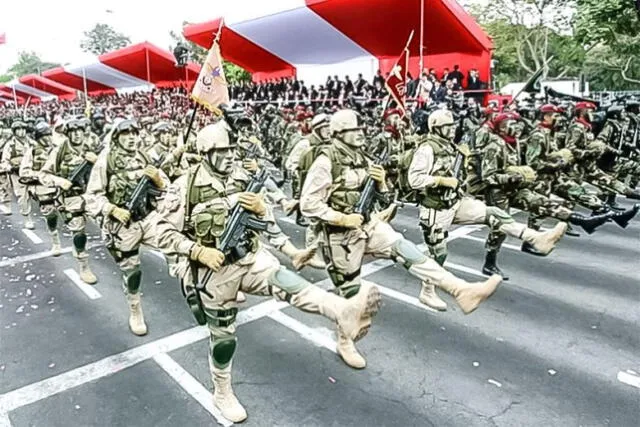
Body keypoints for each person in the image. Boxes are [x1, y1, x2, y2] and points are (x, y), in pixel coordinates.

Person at [155, 121, 381, 422]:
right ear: (206, 153)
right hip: (212, 272)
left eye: (231, 150)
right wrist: (198, 251)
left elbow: (266, 219)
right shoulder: (185, 186)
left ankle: (342, 310)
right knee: (223, 337)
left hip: (249, 257)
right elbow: (161, 232)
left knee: (286, 282)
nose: (230, 156)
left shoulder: (241, 177)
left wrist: (289, 249)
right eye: (222, 151)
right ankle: (222, 390)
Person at [300, 109, 503, 364]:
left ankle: (460, 289)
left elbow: (382, 197)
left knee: (406, 249)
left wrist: (382, 184)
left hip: (368, 223)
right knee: (351, 295)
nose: (361, 134)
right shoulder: (325, 161)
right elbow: (308, 204)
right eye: (355, 130)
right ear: (340, 133)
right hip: (339, 235)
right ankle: (345, 341)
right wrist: (341, 218)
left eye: (361, 129)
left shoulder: (362, 157)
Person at [408, 110, 566, 310]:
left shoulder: (450, 146)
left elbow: (462, 175)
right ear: (437, 128)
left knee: (495, 214)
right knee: (438, 255)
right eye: (448, 126)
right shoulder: (427, 148)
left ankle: (535, 238)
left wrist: (465, 160)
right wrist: (441, 180)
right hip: (435, 209)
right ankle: (427, 292)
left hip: (456, 202)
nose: (452, 129)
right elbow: (414, 180)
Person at [85, 119, 169, 336]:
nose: (132, 137)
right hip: (122, 225)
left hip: (147, 217)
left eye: (134, 133)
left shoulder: (144, 156)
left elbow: (166, 187)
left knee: (176, 245)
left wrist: (158, 180)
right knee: (132, 271)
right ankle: (135, 309)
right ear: (116, 137)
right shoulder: (106, 161)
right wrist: (112, 209)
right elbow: (93, 195)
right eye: (126, 134)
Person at [40, 119, 99, 284]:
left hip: (94, 194)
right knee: (79, 232)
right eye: (73, 131)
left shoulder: (92, 146)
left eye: (80, 130)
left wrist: (97, 161)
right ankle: (83, 266)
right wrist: (60, 182)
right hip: (71, 197)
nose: (77, 134)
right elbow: (43, 175)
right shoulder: (60, 150)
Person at [19, 122, 62, 254]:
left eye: (49, 135)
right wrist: (42, 176)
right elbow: (24, 173)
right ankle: (56, 242)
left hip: (61, 185)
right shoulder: (32, 152)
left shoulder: (58, 148)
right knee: (50, 216)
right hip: (43, 188)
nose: (48, 138)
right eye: (44, 136)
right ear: (38, 137)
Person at [0, 120, 35, 226]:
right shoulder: (10, 145)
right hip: (17, 175)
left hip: (31, 172)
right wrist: (11, 167)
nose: (21, 132)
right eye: (18, 129)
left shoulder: (32, 143)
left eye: (23, 129)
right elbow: (5, 161)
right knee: (22, 196)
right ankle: (27, 218)